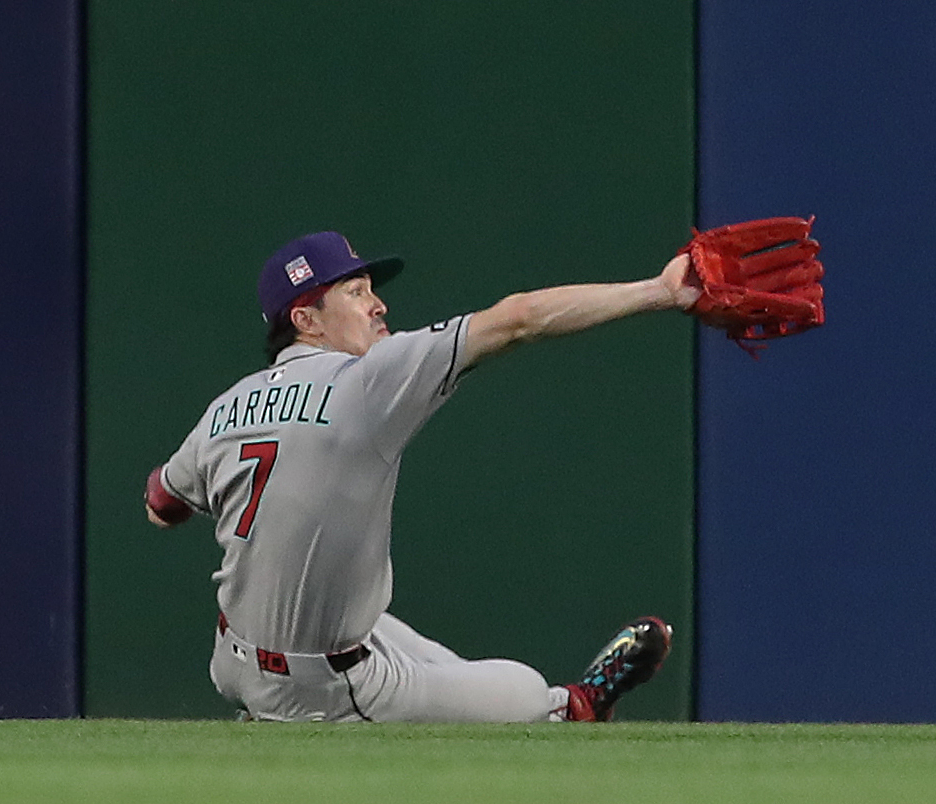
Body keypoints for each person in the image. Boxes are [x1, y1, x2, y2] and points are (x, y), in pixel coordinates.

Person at [143, 230, 699, 722]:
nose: (378, 304)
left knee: (379, 626)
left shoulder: (224, 408)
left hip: (232, 659)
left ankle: (272, 705)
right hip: (325, 685)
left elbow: (161, 502)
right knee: (523, 691)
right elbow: (519, 318)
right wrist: (659, 291)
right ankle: (569, 709)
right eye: (355, 293)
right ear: (306, 320)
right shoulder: (366, 380)